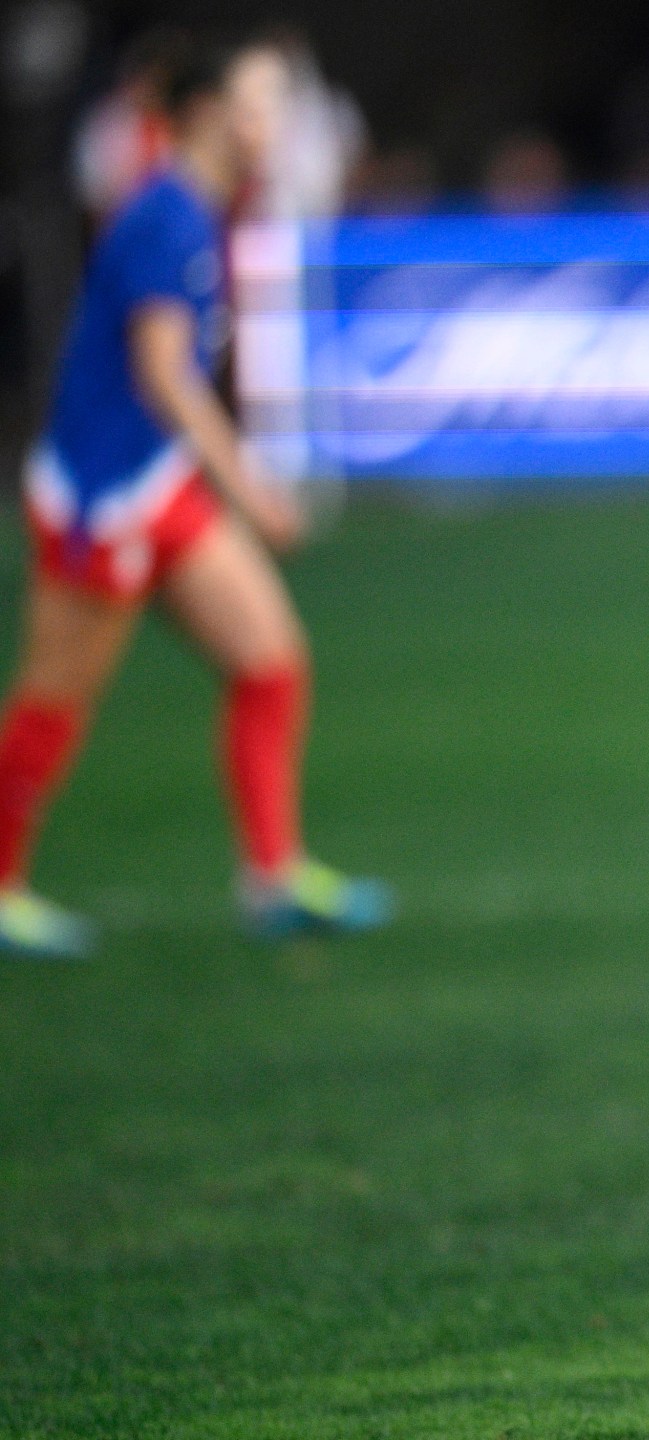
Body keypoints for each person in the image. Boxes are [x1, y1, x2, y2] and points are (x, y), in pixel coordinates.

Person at [0, 36, 391, 960]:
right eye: (261, 104)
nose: (275, 126)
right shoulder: (168, 217)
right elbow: (163, 373)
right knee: (54, 701)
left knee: (270, 661)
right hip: (100, 499)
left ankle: (275, 876)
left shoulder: (197, 210)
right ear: (210, 112)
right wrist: (249, 486)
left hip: (155, 483)